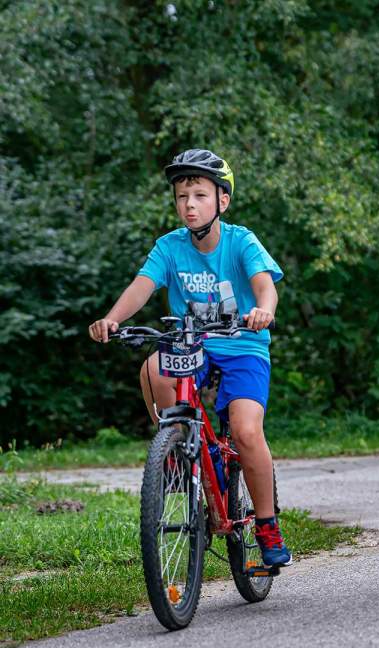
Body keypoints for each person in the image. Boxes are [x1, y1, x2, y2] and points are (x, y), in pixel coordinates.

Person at [88, 148, 291, 567]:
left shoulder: (241, 241)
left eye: (199, 195)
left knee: (247, 430)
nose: (189, 205)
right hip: (191, 344)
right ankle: (183, 450)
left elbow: (264, 285)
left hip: (243, 346)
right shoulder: (170, 247)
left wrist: (264, 309)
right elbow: (141, 287)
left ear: (222, 200)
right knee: (152, 369)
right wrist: (112, 319)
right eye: (182, 197)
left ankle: (268, 526)